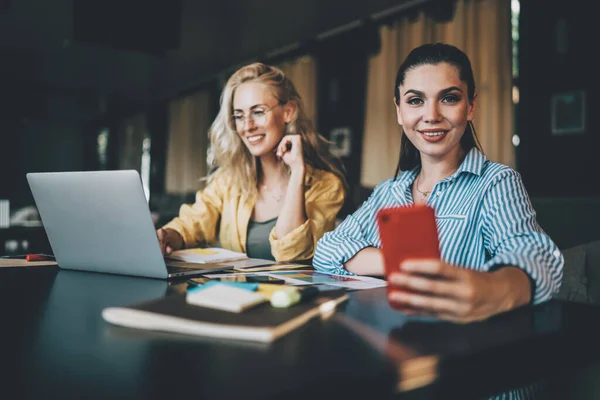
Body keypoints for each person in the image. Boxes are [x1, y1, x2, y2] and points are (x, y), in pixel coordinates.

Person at [313, 43, 563, 323]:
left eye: (449, 98)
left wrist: (496, 289)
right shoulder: (388, 190)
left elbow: (538, 257)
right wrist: (401, 265)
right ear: (399, 111)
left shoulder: (495, 182)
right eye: (415, 100)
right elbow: (327, 248)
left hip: (462, 349)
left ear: (471, 107)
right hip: (391, 344)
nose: (431, 115)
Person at [157, 63, 346, 262]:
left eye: (258, 112)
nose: (247, 126)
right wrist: (167, 236)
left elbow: (293, 253)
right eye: (239, 116)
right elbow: (191, 223)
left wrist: (297, 172)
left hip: (295, 293)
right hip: (238, 292)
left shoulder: (327, 186)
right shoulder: (228, 182)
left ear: (288, 111)